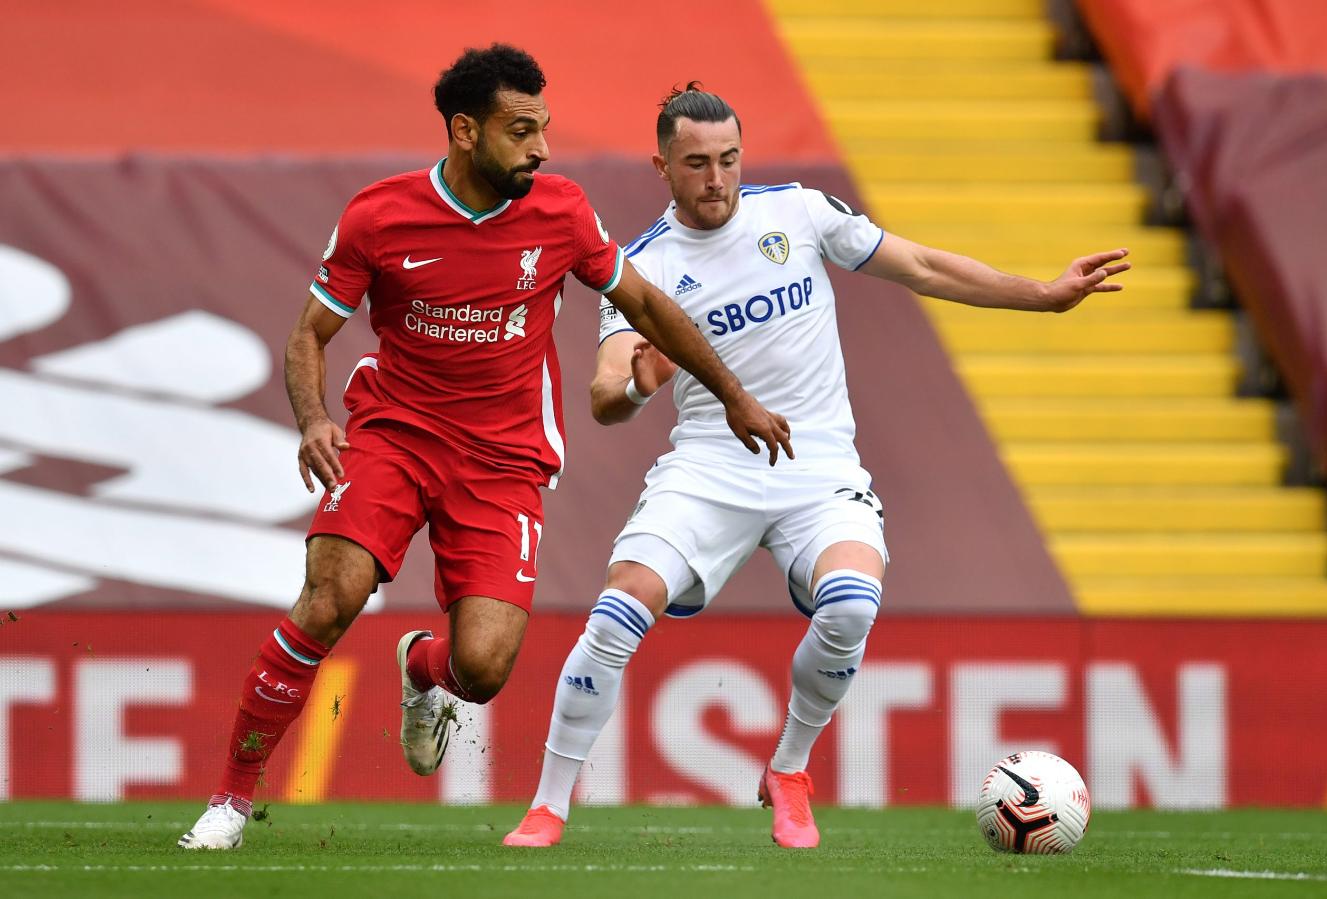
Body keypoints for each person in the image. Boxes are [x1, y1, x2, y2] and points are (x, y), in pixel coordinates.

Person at [178, 51, 792, 850]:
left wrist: (734, 393)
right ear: (466, 131)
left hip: (503, 461)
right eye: (521, 131)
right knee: (329, 598)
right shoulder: (379, 216)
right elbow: (308, 334)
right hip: (394, 434)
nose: (542, 149)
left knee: (484, 667)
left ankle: (421, 669)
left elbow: (645, 303)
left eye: (544, 128)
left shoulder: (561, 213)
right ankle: (229, 800)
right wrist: (314, 419)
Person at [501, 84, 1129, 849]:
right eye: (696, 164)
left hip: (818, 463)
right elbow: (604, 395)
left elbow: (921, 264)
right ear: (662, 166)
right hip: (709, 467)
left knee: (852, 604)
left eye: (729, 159)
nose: (716, 179)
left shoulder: (799, 212)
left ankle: (789, 769)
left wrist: (1043, 295)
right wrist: (637, 384)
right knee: (620, 605)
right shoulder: (641, 265)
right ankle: (549, 803)